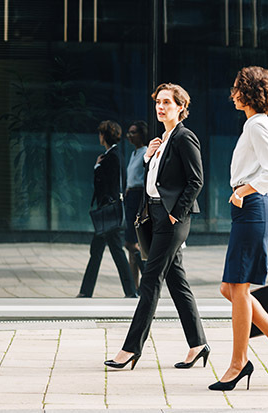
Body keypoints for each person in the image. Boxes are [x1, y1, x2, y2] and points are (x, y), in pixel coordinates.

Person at [209, 67, 268, 391]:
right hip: (248, 211)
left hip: (252, 209)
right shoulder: (254, 124)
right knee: (230, 289)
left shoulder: (258, 124)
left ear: (248, 92)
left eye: (237, 88)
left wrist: (243, 191)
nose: (232, 94)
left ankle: (239, 363)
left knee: (237, 288)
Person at [104, 83, 209, 370]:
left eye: (167, 102)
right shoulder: (162, 140)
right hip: (156, 217)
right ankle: (198, 344)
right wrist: (150, 158)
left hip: (172, 220)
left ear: (180, 107)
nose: (160, 107)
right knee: (177, 283)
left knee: (150, 280)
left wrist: (177, 214)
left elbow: (196, 180)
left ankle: (130, 349)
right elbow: (157, 183)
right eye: (158, 102)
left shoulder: (185, 137)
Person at [77, 121, 138, 298]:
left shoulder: (110, 157)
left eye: (100, 134)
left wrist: (97, 168)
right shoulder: (116, 154)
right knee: (98, 252)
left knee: (111, 252)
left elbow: (103, 184)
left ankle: (130, 291)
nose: (99, 137)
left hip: (108, 213)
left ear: (104, 136)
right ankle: (87, 292)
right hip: (110, 212)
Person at [124, 121, 149, 288]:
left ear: (142, 134)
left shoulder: (146, 153)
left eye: (134, 132)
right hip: (130, 195)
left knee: (131, 243)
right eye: (129, 132)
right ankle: (134, 286)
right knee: (131, 246)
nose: (130, 135)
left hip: (138, 196)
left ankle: (147, 277)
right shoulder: (134, 153)